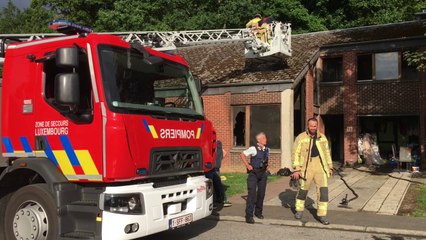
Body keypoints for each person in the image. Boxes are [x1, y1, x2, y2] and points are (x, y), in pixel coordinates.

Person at [291, 117, 333, 225]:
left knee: (323, 191)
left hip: (320, 166)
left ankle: (322, 215)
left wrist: (330, 166)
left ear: (317, 126)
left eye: (315, 126)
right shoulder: (301, 137)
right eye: (311, 126)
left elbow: (327, 153)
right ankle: (299, 211)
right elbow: (295, 153)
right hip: (306, 167)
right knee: (303, 189)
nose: (313, 128)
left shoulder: (322, 137)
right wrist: (296, 169)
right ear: (307, 126)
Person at [240, 132, 270, 224]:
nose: (266, 139)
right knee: (252, 194)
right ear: (259, 140)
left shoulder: (267, 149)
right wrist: (248, 165)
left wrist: (267, 168)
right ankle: (249, 216)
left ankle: (258, 212)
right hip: (254, 174)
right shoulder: (253, 148)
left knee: (261, 194)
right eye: (264, 138)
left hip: (262, 174)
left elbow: (267, 159)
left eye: (265, 138)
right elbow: (242, 154)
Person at [214, 141, 232, 207]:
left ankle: (223, 200)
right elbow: (224, 152)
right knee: (217, 184)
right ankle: (221, 199)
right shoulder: (218, 145)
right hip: (216, 166)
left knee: (216, 184)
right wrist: (220, 159)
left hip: (212, 167)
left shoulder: (215, 145)